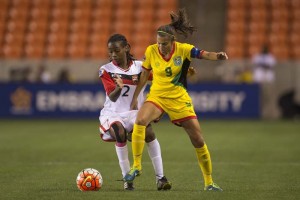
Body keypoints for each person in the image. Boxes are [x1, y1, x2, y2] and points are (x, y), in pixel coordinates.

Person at [124, 9, 228, 191]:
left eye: (164, 44)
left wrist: (217, 56)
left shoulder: (184, 49)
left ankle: (209, 182)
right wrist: (135, 98)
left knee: (198, 139)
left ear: (173, 41)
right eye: (158, 43)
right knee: (140, 120)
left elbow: (204, 54)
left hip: (179, 99)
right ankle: (137, 166)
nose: (160, 47)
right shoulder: (151, 51)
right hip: (157, 96)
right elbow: (144, 75)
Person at [98, 34, 171, 191]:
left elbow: (161, 81)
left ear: (126, 48)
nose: (113, 55)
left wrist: (159, 108)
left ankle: (161, 178)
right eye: (110, 52)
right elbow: (113, 97)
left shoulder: (140, 67)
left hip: (133, 112)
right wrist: (118, 87)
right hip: (112, 113)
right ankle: (127, 179)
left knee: (150, 133)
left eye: (116, 50)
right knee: (119, 131)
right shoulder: (106, 70)